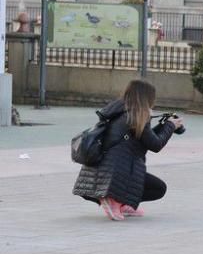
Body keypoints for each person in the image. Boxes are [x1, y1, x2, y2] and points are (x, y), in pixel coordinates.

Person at [73, 79, 183, 221]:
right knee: (159, 188)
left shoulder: (119, 110)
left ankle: (121, 203)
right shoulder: (137, 114)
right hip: (113, 175)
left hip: (97, 171)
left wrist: (165, 126)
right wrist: (170, 126)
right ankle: (112, 200)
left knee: (155, 186)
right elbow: (155, 145)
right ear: (146, 98)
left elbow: (144, 138)